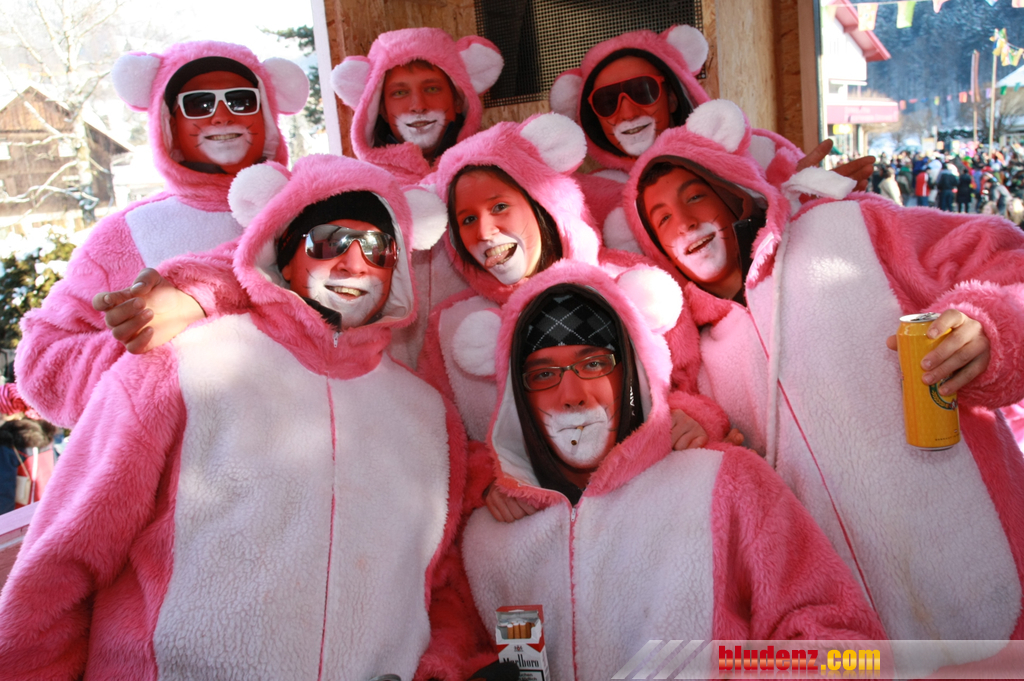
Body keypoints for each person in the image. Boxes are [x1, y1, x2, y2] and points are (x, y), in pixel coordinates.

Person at [0, 154, 492, 680]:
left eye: (377, 249)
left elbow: (440, 588)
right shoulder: (178, 368)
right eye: (329, 241)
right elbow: (63, 559)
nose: (354, 264)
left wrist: (438, 666)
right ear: (283, 252)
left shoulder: (428, 416)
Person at [614, 98, 1024, 667]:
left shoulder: (849, 228)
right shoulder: (697, 355)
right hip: (854, 645)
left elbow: (1005, 258)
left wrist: (991, 326)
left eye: (694, 196)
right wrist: (696, 431)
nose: (682, 221)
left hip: (992, 581)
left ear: (733, 194)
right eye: (661, 219)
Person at [458, 262, 887, 680]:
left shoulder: (725, 482)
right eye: (544, 374)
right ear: (517, 398)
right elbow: (459, 656)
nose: (571, 394)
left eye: (594, 364)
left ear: (632, 372)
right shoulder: (486, 538)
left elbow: (843, 647)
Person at [14, 41, 308, 428]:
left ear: (267, 113)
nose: (221, 116)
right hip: (192, 460)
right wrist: (143, 341)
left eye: (240, 101)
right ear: (167, 122)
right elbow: (45, 369)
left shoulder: (313, 205)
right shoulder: (129, 232)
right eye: (199, 104)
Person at [330, 28, 503, 365]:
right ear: (379, 107)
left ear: (458, 99)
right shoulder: (356, 190)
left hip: (478, 359)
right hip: (391, 371)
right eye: (399, 92)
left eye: (432, 88)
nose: (418, 105)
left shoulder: (493, 173)